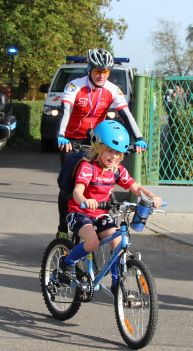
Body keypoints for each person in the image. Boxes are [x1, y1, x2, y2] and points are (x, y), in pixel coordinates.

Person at [54, 120, 163, 285]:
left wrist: (151, 196)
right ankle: (66, 264)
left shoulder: (116, 170)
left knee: (119, 246)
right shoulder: (87, 167)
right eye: (109, 151)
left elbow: (135, 187)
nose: (114, 157)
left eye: (118, 153)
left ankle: (116, 284)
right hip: (79, 212)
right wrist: (85, 201)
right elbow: (77, 191)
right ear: (98, 148)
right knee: (92, 243)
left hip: (101, 214)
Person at [53, 48, 147, 237]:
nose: (101, 76)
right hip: (71, 139)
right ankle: (63, 227)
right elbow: (66, 111)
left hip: (97, 140)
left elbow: (125, 114)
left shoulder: (113, 89)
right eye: (97, 71)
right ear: (89, 69)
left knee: (102, 174)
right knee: (67, 187)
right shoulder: (74, 86)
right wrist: (61, 135)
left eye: (105, 72)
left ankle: (99, 219)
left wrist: (139, 138)